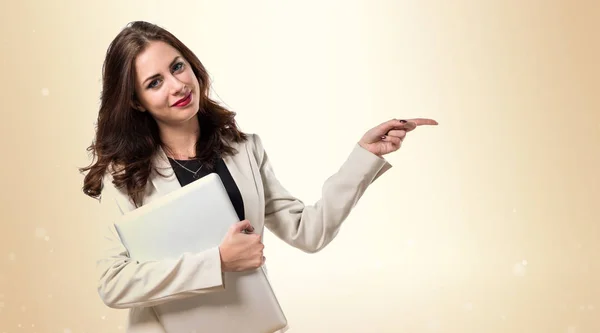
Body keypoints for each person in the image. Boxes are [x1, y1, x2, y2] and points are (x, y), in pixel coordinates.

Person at [80, 20, 437, 333]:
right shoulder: (124, 176)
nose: (177, 86)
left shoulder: (244, 150)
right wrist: (217, 262)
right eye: (155, 82)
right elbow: (113, 283)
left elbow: (308, 232)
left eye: (178, 67)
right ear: (137, 101)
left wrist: (364, 156)